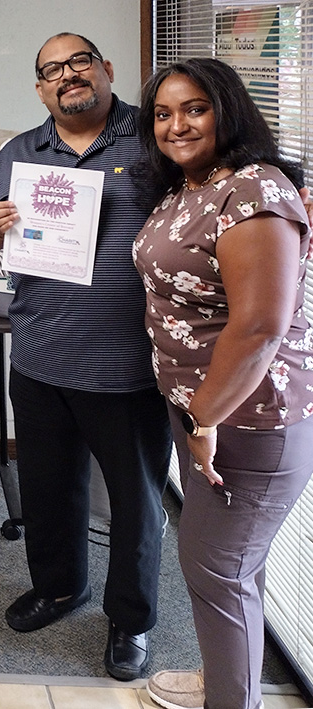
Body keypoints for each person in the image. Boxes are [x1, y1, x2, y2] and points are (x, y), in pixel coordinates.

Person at [0, 32, 173, 680]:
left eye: (78, 62)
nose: (67, 76)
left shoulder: (155, 139)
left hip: (128, 364)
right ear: (40, 89)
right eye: (52, 70)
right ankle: (59, 587)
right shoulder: (17, 152)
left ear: (106, 69)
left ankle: (131, 619)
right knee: (48, 489)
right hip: (38, 355)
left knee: (135, 504)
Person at [133, 58, 313, 709]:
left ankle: (231, 700)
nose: (177, 124)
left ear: (228, 110)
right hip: (203, 414)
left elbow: (261, 326)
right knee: (235, 568)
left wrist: (206, 418)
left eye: (195, 108)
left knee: (217, 569)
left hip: (247, 421)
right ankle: (229, 683)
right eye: (163, 113)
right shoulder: (192, 186)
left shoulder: (255, 191)